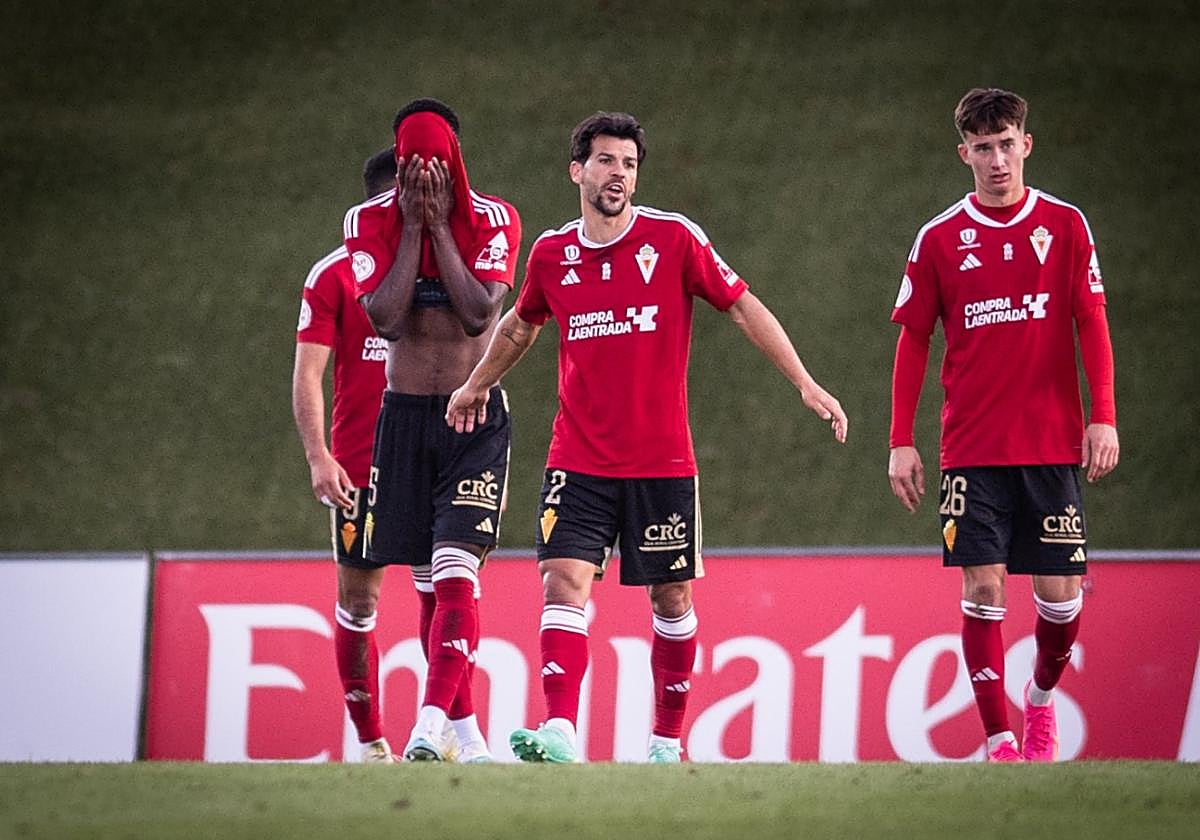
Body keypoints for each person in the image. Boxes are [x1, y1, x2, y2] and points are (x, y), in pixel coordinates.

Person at [445, 111, 847, 764]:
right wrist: (476, 384)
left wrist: (803, 381)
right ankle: (562, 733)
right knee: (562, 580)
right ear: (578, 170)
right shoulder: (552, 254)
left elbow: (742, 303)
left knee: (672, 596)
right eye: (606, 161)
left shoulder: (674, 239)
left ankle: (665, 742)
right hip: (578, 457)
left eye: (629, 164)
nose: (619, 175)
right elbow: (520, 326)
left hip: (661, 461)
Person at [887, 88, 1119, 762]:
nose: (996, 159)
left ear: (1026, 145)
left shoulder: (1066, 225)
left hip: (1050, 444)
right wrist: (901, 440)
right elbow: (913, 341)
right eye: (982, 148)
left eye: (1006, 143)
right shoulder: (938, 238)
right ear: (965, 154)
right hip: (973, 449)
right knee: (983, 586)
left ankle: (1041, 698)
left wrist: (1102, 416)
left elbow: (1091, 321)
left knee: (1060, 597)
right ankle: (999, 742)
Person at [342, 98, 521, 763]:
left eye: (435, 163)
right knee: (426, 580)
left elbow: (479, 313)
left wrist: (442, 229)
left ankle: (424, 726)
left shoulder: (495, 218)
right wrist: (413, 229)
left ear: (455, 162)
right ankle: (470, 743)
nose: (423, 175)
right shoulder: (366, 222)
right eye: (412, 163)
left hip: (471, 415)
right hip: (405, 416)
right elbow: (386, 320)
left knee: (454, 572)